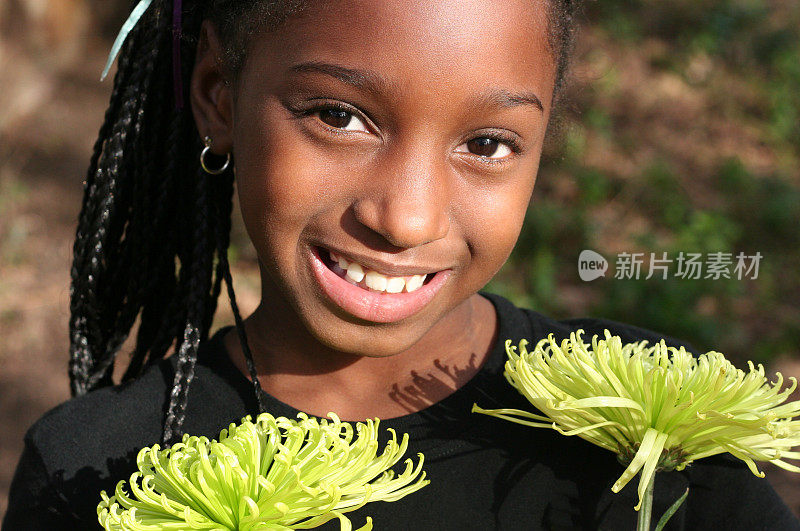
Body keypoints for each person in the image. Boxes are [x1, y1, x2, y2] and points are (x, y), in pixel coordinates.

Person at [3, 0, 798, 529]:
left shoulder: (666, 434)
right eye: (339, 116)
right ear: (217, 93)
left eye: (486, 144)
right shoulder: (98, 471)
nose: (406, 216)